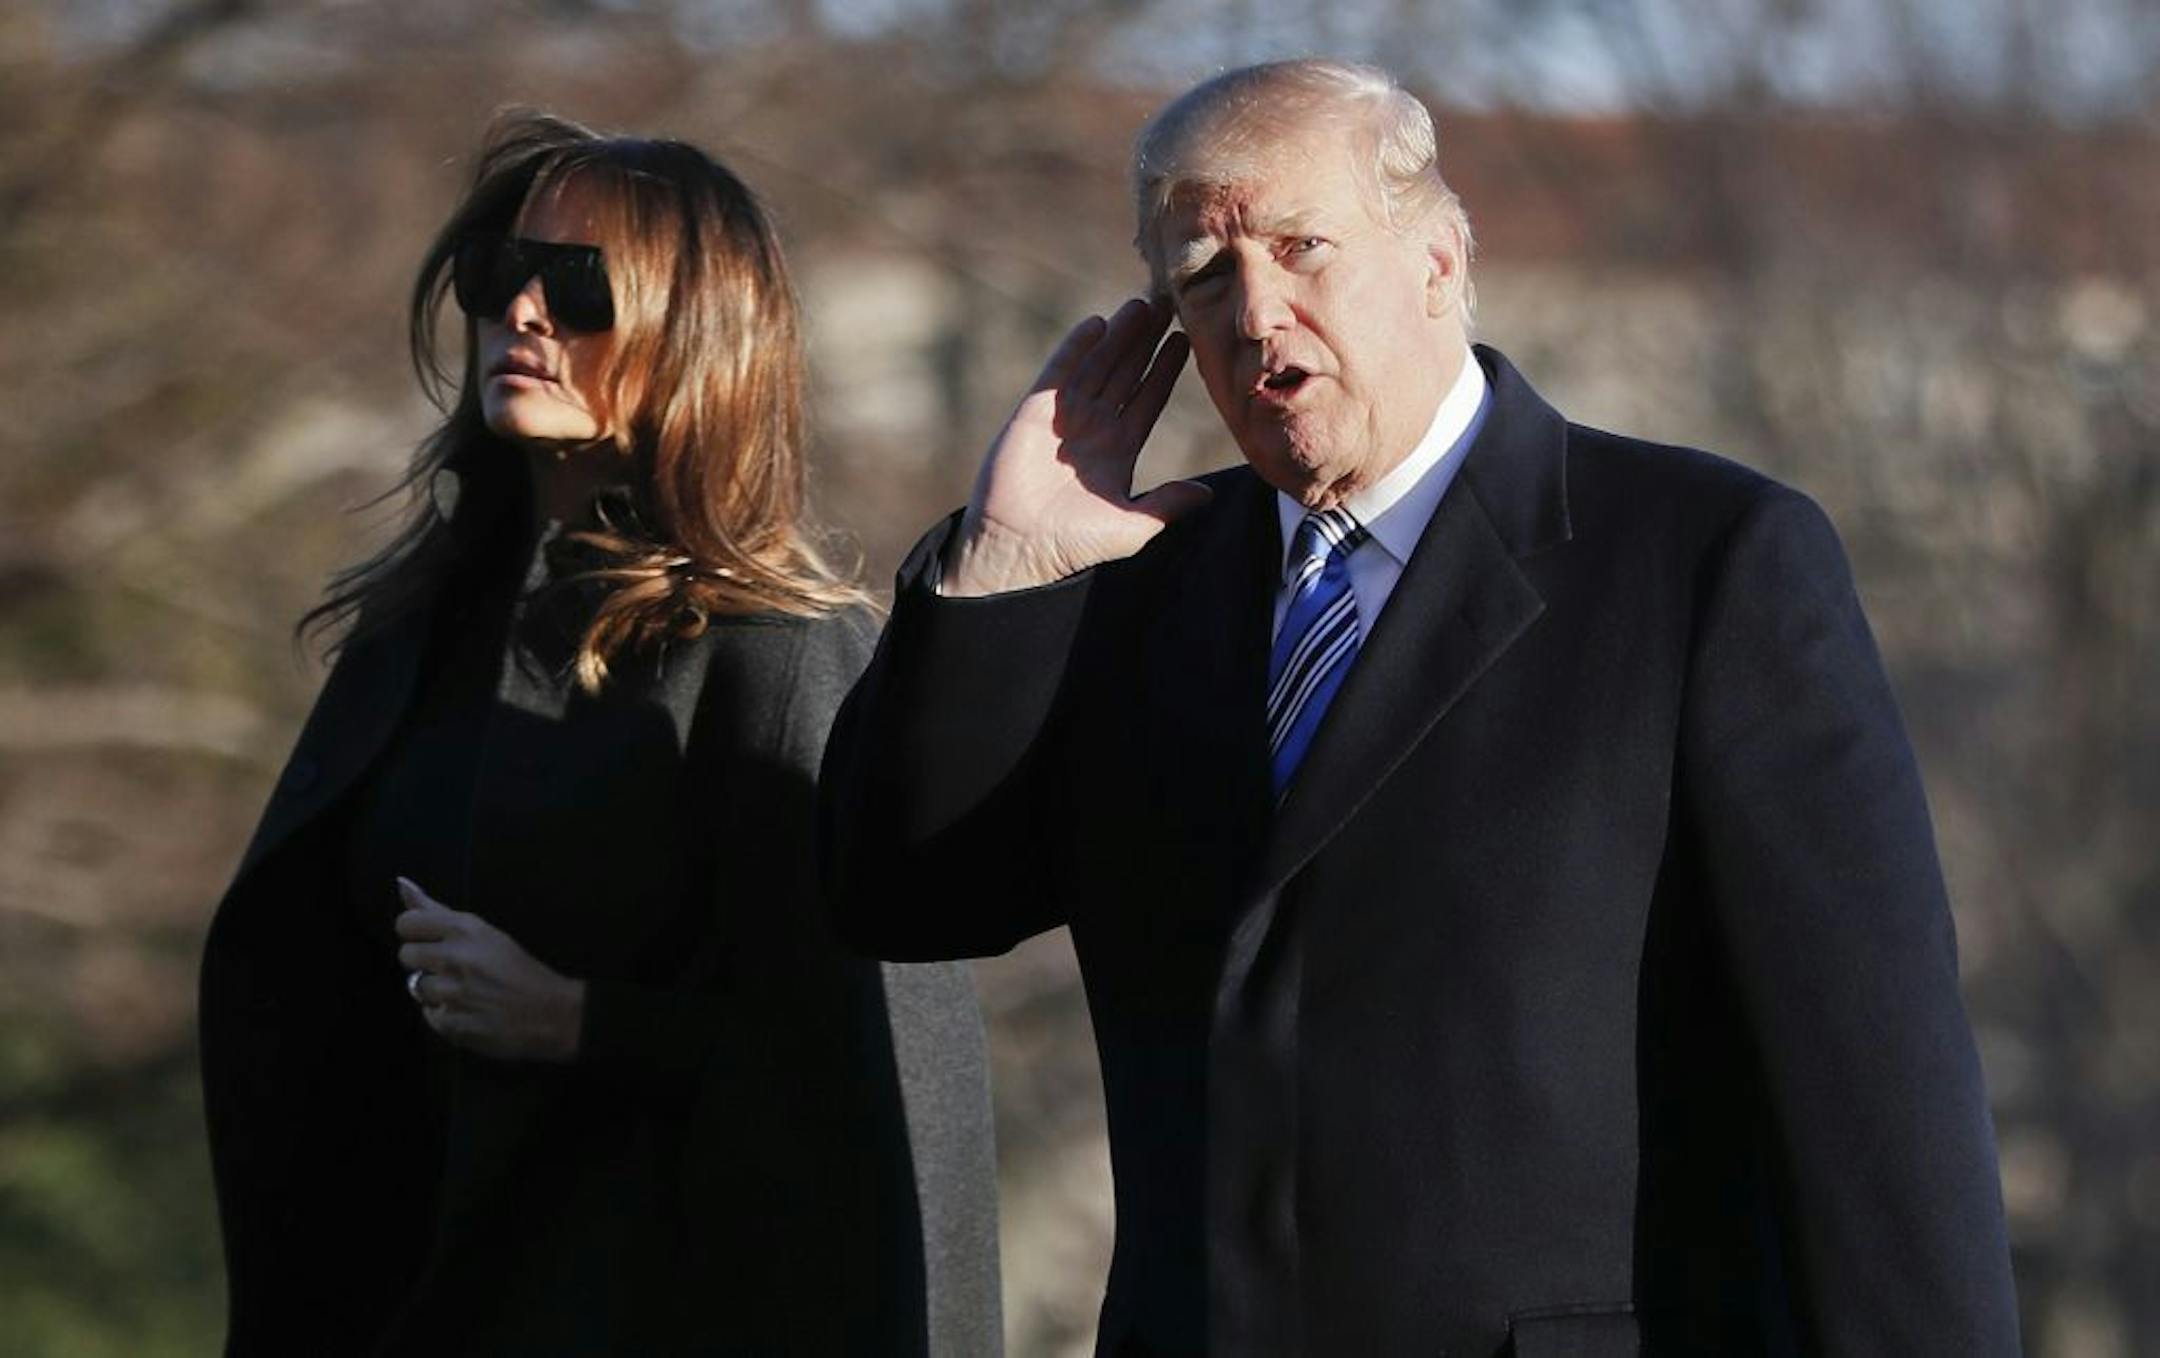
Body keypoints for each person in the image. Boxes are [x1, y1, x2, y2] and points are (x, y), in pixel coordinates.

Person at [820, 59, 2019, 1357]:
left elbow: (1877, 1101)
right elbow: (903, 894)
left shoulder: (1703, 561)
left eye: (1302, 247)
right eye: (1206, 276)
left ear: (1439, 261)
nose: (1256, 312)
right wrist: (1002, 571)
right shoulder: (1130, 584)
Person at [198, 112, 1001, 1357]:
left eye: (577, 288)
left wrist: (581, 1021)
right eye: (499, 274)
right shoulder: (417, 632)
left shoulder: (776, 651)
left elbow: (874, 1085)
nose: (522, 312)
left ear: (697, 333)